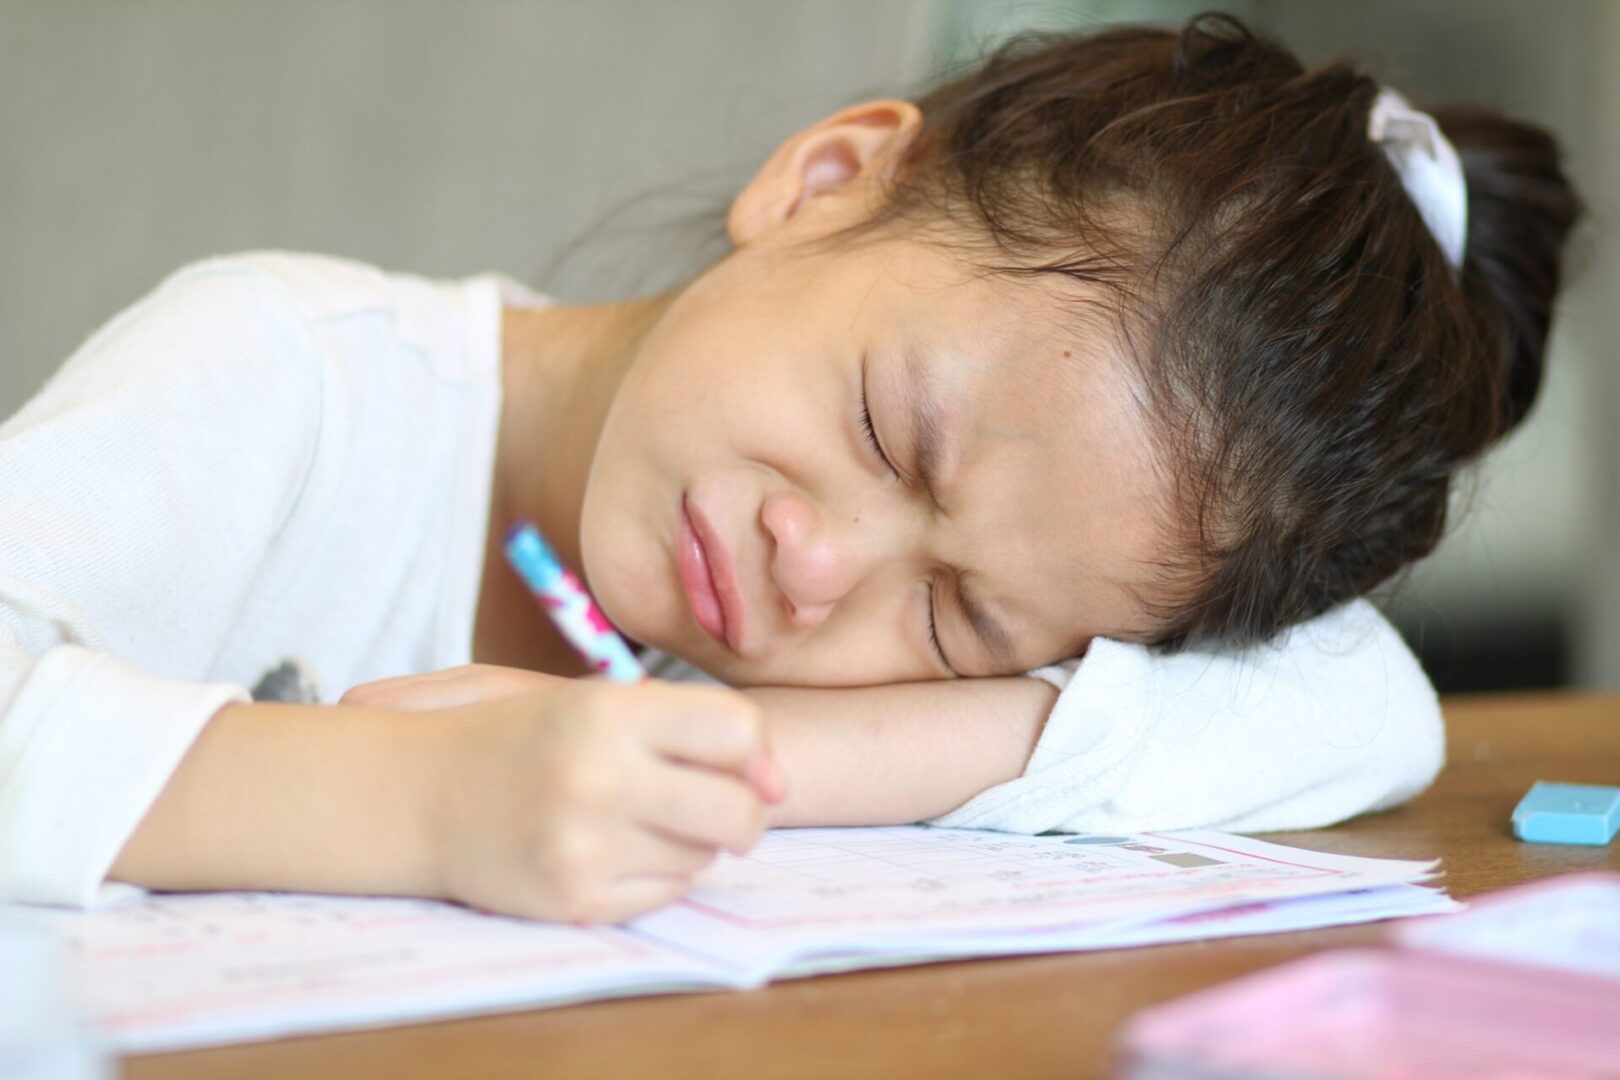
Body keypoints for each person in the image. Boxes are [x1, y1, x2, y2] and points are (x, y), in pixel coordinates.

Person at [0, 14, 1579, 923]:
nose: (817, 571)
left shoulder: (798, 687)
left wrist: (775, 753)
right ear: (827, 181)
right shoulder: (295, 374)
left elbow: (1362, 710)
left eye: (959, 617)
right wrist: (420, 804)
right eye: (890, 432)